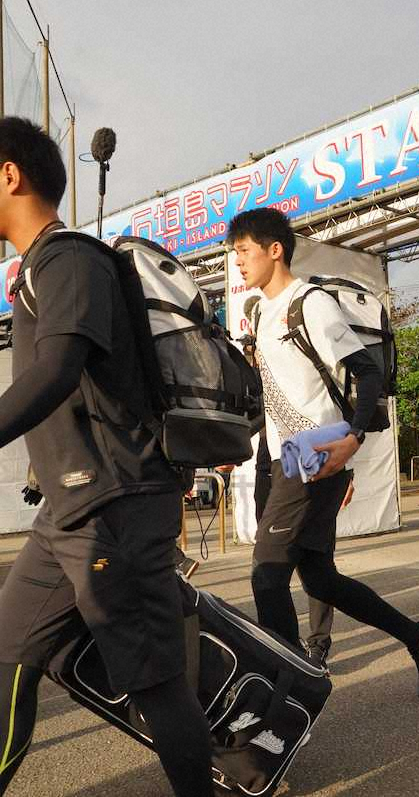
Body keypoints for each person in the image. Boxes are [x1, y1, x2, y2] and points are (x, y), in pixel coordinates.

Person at [0, 117, 214, 796]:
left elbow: (59, 368)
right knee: (8, 653)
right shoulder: (41, 268)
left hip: (115, 510)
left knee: (156, 683)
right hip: (71, 511)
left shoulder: (67, 259)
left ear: (9, 174)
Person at [231, 207, 419, 699]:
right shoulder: (261, 312)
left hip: (316, 460)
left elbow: (369, 374)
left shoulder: (311, 304)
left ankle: (288, 694)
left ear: (274, 249)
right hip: (280, 461)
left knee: (267, 574)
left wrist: (353, 439)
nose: (237, 261)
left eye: (244, 250)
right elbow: (278, 393)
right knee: (320, 579)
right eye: (235, 252)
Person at [252, 430, 354, 665]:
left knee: (318, 565)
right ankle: (284, 652)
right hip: (268, 466)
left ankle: (317, 645)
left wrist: (350, 473)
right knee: (271, 570)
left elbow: (340, 410)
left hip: (313, 467)